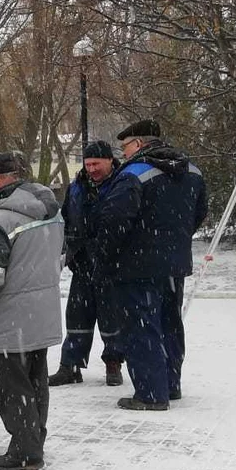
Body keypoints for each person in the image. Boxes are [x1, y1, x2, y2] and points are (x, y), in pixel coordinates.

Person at [95, 119, 207, 410]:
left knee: (142, 327)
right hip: (175, 264)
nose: (124, 152)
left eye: (126, 146)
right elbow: (199, 213)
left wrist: (106, 256)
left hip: (136, 266)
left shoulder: (133, 174)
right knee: (170, 323)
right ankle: (170, 385)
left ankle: (149, 393)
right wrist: (174, 240)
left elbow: (113, 221)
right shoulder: (192, 170)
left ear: (139, 144)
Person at [0, 152, 64, 470]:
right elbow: (61, 255)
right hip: (39, 313)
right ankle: (33, 439)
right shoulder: (50, 211)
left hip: (9, 318)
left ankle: (25, 450)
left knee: (10, 386)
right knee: (35, 380)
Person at [49, 140, 125, 387]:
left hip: (111, 262)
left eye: (96, 163)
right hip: (81, 261)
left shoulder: (122, 184)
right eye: (88, 163)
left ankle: (114, 364)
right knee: (77, 316)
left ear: (109, 161)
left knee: (111, 317)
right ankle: (70, 364)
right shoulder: (76, 188)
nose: (92, 168)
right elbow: (66, 218)